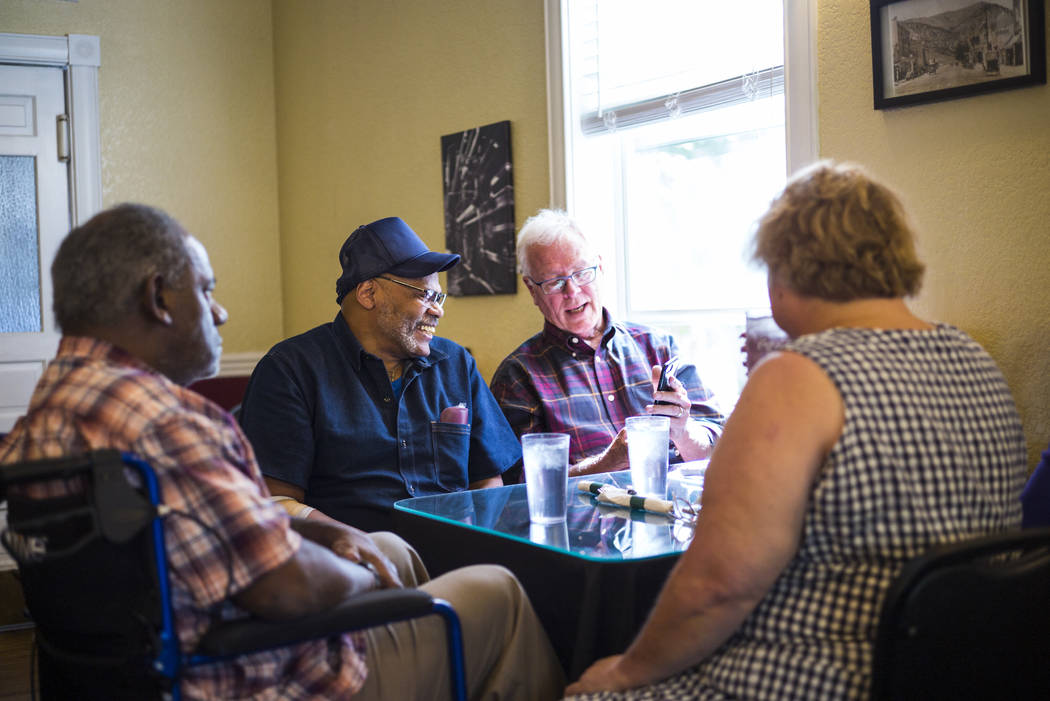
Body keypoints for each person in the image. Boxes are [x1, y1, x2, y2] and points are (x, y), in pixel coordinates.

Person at [0, 204, 563, 700]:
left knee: (390, 546)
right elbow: (286, 584)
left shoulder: (45, 416)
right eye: (206, 289)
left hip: (147, 665)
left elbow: (215, 526)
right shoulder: (166, 421)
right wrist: (356, 571)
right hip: (256, 672)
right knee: (499, 592)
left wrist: (332, 536)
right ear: (157, 298)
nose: (219, 313)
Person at [564, 162, 1028, 699]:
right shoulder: (972, 357)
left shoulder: (798, 375)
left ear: (787, 268)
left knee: (584, 687)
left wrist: (622, 673)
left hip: (819, 676)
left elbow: (718, 588)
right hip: (956, 670)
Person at [239, 216, 520, 533]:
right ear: (368, 293)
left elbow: (487, 479)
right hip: (353, 565)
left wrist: (482, 538)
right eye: (425, 295)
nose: (438, 310)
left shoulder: (455, 363)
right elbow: (277, 501)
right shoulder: (290, 370)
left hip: (455, 548)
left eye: (438, 297)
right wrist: (361, 547)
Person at [490, 209, 724, 477]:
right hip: (586, 516)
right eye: (555, 282)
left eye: (581, 273)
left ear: (600, 268)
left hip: (677, 509)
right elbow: (520, 484)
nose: (573, 291)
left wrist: (684, 432)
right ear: (532, 289)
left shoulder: (659, 347)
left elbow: (723, 445)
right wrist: (606, 463)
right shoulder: (518, 376)